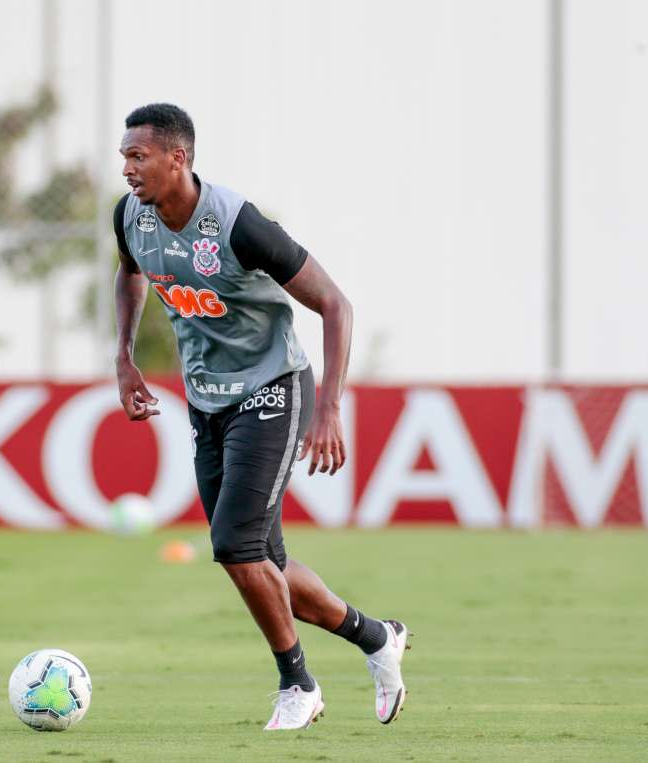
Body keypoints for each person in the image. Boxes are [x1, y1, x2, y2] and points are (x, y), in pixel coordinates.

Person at [112, 103, 409, 731]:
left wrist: (329, 408)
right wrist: (125, 357)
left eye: (139, 156)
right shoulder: (131, 217)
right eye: (125, 157)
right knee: (263, 564)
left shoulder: (238, 224)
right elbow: (130, 273)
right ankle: (377, 637)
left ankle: (297, 683)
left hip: (273, 386)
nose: (128, 169)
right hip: (208, 399)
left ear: (178, 158)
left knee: (234, 545)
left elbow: (334, 303)